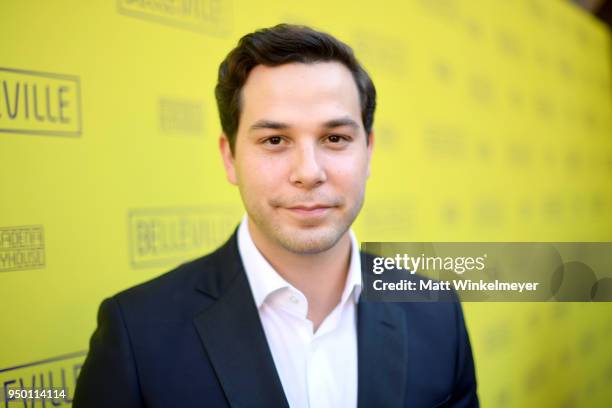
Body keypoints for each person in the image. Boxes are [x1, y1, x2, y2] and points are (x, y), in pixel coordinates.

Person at [73, 23, 479, 408]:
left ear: (368, 151)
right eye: (274, 140)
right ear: (229, 157)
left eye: (335, 138)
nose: (308, 172)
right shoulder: (138, 333)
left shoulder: (437, 312)